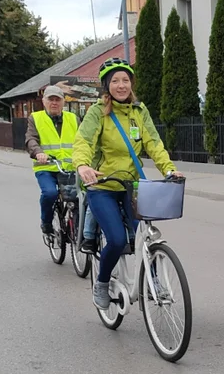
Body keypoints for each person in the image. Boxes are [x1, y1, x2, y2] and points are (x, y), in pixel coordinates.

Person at [72, 58, 183, 310]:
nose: (121, 85)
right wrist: (83, 166)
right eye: (115, 81)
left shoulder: (139, 112)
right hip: (102, 186)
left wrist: (169, 169)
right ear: (106, 86)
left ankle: (154, 281)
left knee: (144, 235)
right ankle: (101, 283)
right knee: (116, 238)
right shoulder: (97, 112)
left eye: (125, 80)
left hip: (131, 185)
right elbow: (83, 142)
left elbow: (154, 144)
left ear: (131, 83)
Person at [25, 85, 81, 235]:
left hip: (69, 168)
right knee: (50, 193)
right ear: (44, 102)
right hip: (46, 167)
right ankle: (46, 222)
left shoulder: (73, 118)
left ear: (63, 102)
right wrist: (38, 153)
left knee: (81, 197)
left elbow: (83, 141)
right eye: (51, 99)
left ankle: (77, 227)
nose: (54, 103)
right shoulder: (35, 118)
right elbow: (31, 139)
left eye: (58, 99)